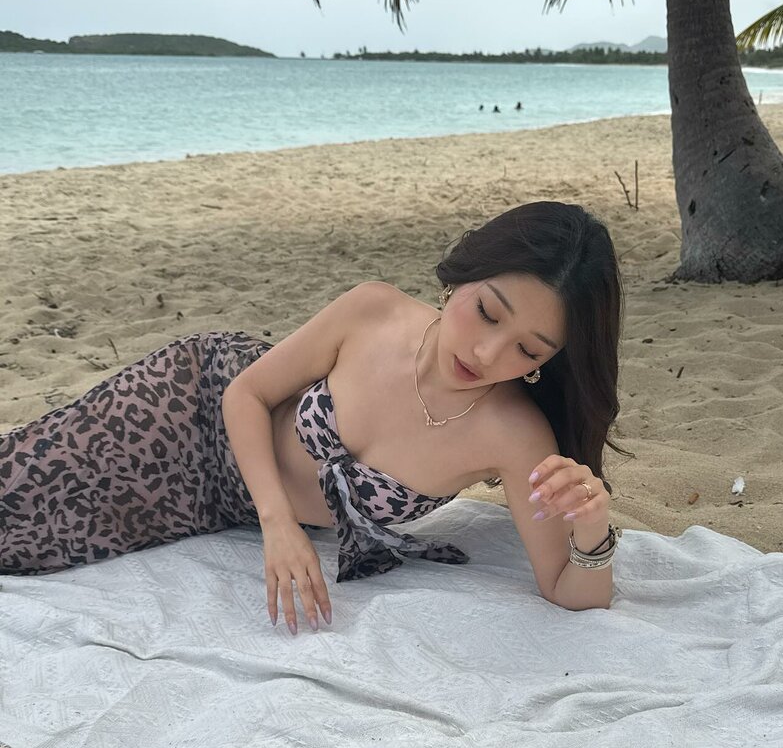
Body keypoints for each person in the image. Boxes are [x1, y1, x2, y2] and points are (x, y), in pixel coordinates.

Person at [0, 202, 625, 635]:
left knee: (45, 543)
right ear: (462, 280)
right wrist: (279, 525)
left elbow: (569, 591)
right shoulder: (373, 311)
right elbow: (245, 393)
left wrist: (592, 527)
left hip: (217, 506)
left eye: (528, 350)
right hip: (190, 410)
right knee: (21, 481)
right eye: (487, 312)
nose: (487, 354)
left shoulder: (514, 436)